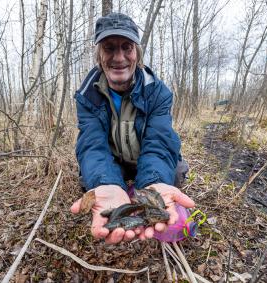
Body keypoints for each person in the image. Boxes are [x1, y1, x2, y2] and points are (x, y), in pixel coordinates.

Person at [70, 12, 195, 244]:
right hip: (114, 161)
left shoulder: (157, 92)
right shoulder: (87, 96)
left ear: (137, 53)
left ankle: (143, 189)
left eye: (127, 47)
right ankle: (119, 189)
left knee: (175, 173)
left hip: (144, 160)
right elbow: (92, 146)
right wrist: (105, 182)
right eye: (109, 48)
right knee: (89, 179)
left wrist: (153, 181)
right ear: (99, 54)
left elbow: (159, 142)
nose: (119, 58)